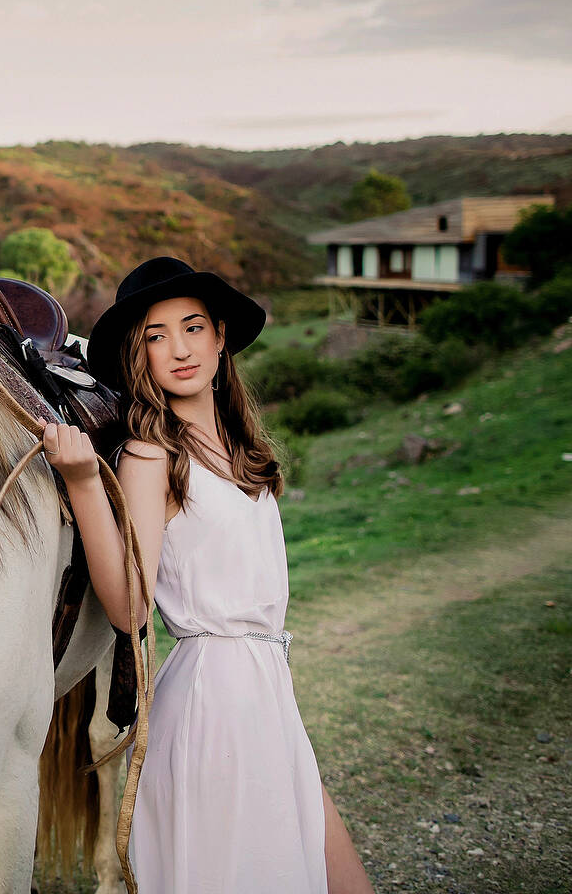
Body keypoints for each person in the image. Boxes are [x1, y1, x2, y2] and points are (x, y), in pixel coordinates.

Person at [38, 256, 373, 893]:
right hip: (211, 701)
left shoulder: (242, 450)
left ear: (221, 336)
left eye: (192, 327)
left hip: (267, 688)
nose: (179, 349)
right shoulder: (151, 453)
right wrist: (84, 483)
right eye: (156, 337)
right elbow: (129, 608)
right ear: (140, 357)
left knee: (334, 876)